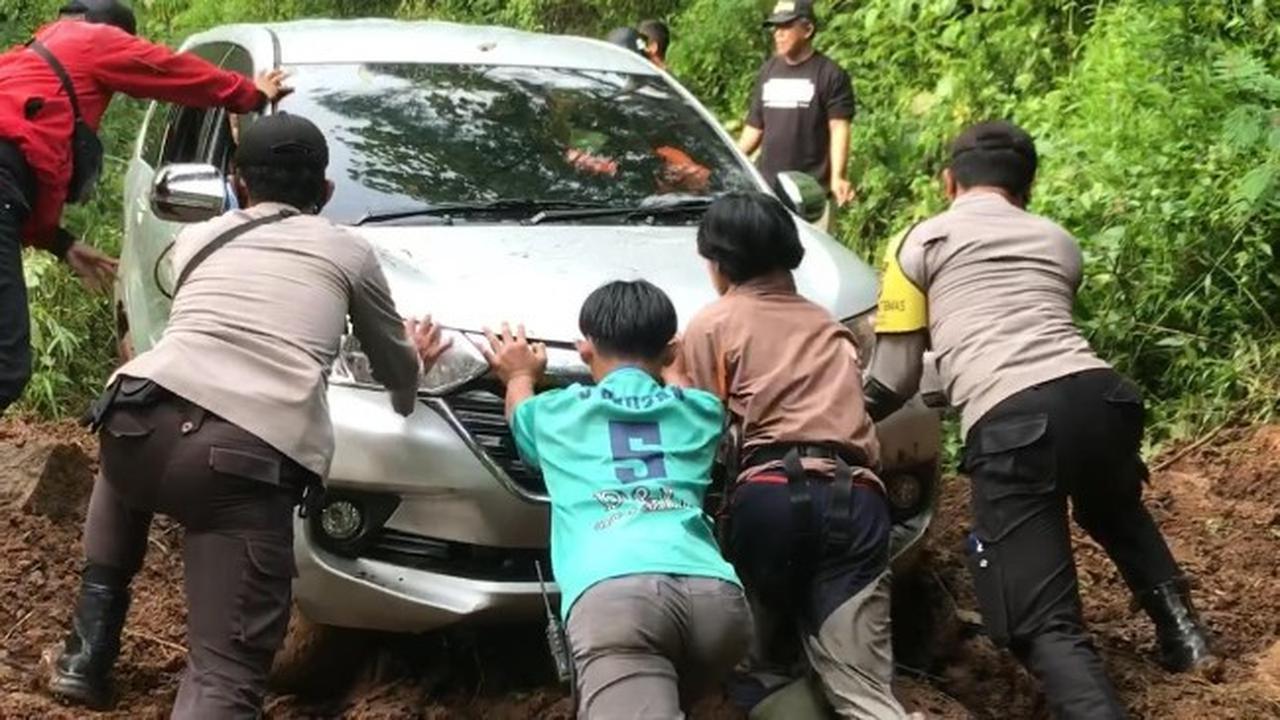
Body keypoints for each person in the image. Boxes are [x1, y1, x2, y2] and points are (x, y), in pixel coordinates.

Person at [48, 113, 450, 716]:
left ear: (236, 183)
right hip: (238, 462)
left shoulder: (195, 240)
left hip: (136, 420)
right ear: (327, 191)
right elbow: (396, 373)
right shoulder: (348, 250)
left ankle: (86, 653)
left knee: (136, 438)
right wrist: (409, 375)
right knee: (225, 672)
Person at [863, 120, 1217, 719]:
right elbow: (1021, 331)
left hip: (1014, 422)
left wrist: (842, 411)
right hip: (1104, 399)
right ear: (1026, 190)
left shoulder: (920, 242)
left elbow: (896, 375)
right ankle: (1188, 637)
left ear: (948, 181)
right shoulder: (1057, 240)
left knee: (1039, 620)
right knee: (1113, 505)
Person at [681, 192, 912, 720]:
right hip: (857, 499)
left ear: (719, 263)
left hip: (768, 500)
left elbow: (695, 429)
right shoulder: (831, 328)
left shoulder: (712, 324)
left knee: (754, 660)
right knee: (862, 690)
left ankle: (767, 687)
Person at [0, 0, 290, 414]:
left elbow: (27, 166)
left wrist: (61, 242)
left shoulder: (26, 59)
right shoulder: (92, 39)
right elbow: (166, 69)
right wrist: (247, 93)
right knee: (6, 364)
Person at [479, 280, 750, 719]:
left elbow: (520, 417)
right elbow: (681, 388)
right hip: (717, 602)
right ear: (670, 351)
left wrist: (519, 376)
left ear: (584, 348)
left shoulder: (555, 412)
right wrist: (670, 361)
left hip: (618, 600)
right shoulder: (700, 412)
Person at [737, 0, 856, 231]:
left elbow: (839, 128)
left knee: (813, 261)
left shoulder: (830, 74)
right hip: (769, 190)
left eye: (785, 27)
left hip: (812, 193)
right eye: (775, 28)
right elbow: (755, 126)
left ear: (808, 29)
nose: (778, 35)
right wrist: (731, 158)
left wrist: (838, 176)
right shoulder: (768, 71)